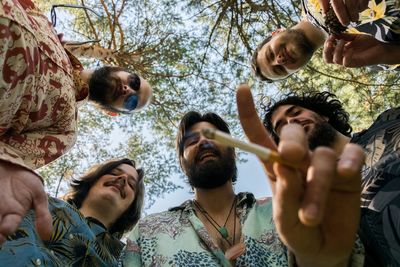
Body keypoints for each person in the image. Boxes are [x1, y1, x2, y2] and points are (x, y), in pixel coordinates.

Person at [122, 85, 366, 266]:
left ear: (234, 153)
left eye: (213, 136)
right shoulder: (147, 232)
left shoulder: (287, 213)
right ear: (182, 162)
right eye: (192, 141)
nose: (204, 142)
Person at [0, 0, 152, 244]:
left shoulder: (64, 131)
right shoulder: (51, 31)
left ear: (112, 112)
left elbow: (7, 157)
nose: (128, 90)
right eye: (134, 81)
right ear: (119, 67)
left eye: (132, 102)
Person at [262, 90, 400, 266]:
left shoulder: (389, 120)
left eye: (296, 113)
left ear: (323, 115)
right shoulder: (320, 206)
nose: (292, 122)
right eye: (282, 127)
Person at [0, 157, 145, 266]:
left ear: (132, 206)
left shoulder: (127, 258)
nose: (123, 178)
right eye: (114, 172)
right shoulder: (36, 200)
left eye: (131, 184)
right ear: (93, 180)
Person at [251, 0, 400, 81]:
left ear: (277, 32)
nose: (279, 61)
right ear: (296, 71)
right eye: (280, 69)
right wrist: (390, 52)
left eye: (271, 54)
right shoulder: (369, 58)